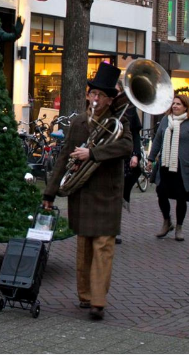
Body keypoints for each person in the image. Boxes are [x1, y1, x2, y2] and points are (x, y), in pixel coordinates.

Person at [42, 62, 133, 320]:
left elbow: (126, 147)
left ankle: (98, 301)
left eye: (100, 95)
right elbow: (62, 160)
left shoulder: (119, 121)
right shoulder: (80, 122)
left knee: (103, 246)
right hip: (82, 193)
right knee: (84, 247)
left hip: (107, 193)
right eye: (92, 93)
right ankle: (85, 295)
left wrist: (92, 153)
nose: (94, 98)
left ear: (109, 99)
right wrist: (49, 193)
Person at [147, 93, 189, 241]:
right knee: (161, 193)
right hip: (165, 164)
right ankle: (167, 221)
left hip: (182, 167)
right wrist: (150, 158)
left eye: (178, 104)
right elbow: (158, 140)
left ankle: (179, 227)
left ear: (185, 106)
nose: (175, 106)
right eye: (173, 104)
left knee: (181, 197)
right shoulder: (166, 120)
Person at [116, 79, 142, 245]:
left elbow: (135, 135)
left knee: (118, 193)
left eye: (117, 92)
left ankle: (115, 229)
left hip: (124, 157)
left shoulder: (130, 110)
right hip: (107, 156)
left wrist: (136, 154)